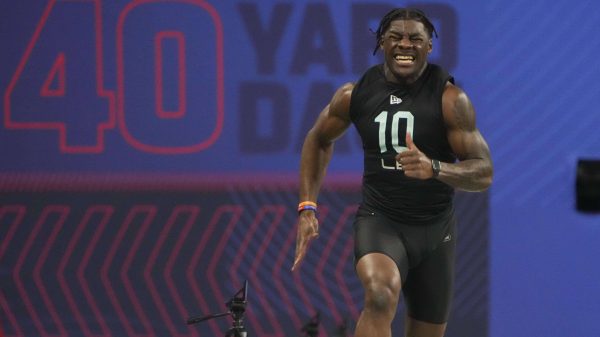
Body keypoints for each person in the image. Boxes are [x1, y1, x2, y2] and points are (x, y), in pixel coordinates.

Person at [291, 7, 493, 337]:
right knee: (380, 295)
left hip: (435, 232)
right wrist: (307, 207)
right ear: (381, 43)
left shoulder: (451, 100)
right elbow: (317, 139)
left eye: (416, 39)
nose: (404, 45)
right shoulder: (354, 95)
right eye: (395, 37)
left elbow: (484, 172)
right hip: (380, 220)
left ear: (429, 47)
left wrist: (435, 168)